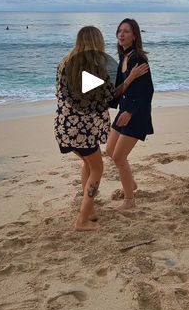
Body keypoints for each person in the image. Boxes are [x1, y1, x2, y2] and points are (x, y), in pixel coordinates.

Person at [54, 26, 148, 231]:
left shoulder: (65, 62)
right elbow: (109, 95)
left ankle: (90, 211)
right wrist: (130, 78)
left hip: (64, 128)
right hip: (83, 131)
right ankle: (82, 220)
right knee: (97, 169)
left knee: (88, 165)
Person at [106, 18, 154, 210]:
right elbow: (117, 90)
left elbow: (147, 90)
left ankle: (129, 200)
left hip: (136, 113)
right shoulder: (123, 59)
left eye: (126, 31)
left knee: (118, 157)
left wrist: (131, 112)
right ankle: (131, 184)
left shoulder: (138, 58)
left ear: (134, 36)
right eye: (119, 31)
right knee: (110, 150)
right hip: (124, 111)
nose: (121, 34)